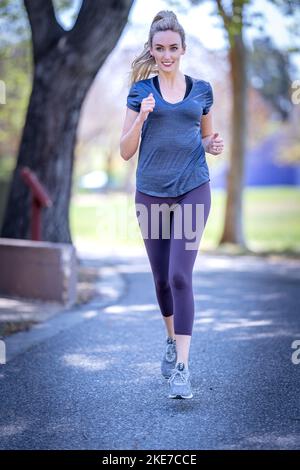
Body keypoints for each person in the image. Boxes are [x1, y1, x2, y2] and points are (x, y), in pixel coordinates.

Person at [120, 10, 224, 399]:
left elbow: (207, 139)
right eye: (160, 48)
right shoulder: (139, 92)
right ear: (152, 49)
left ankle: (182, 367)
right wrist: (141, 118)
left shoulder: (202, 91)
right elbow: (125, 151)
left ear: (184, 49)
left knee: (181, 275)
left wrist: (212, 145)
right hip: (150, 192)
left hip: (193, 188)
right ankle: (169, 338)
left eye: (173, 48)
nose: (167, 54)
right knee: (162, 279)